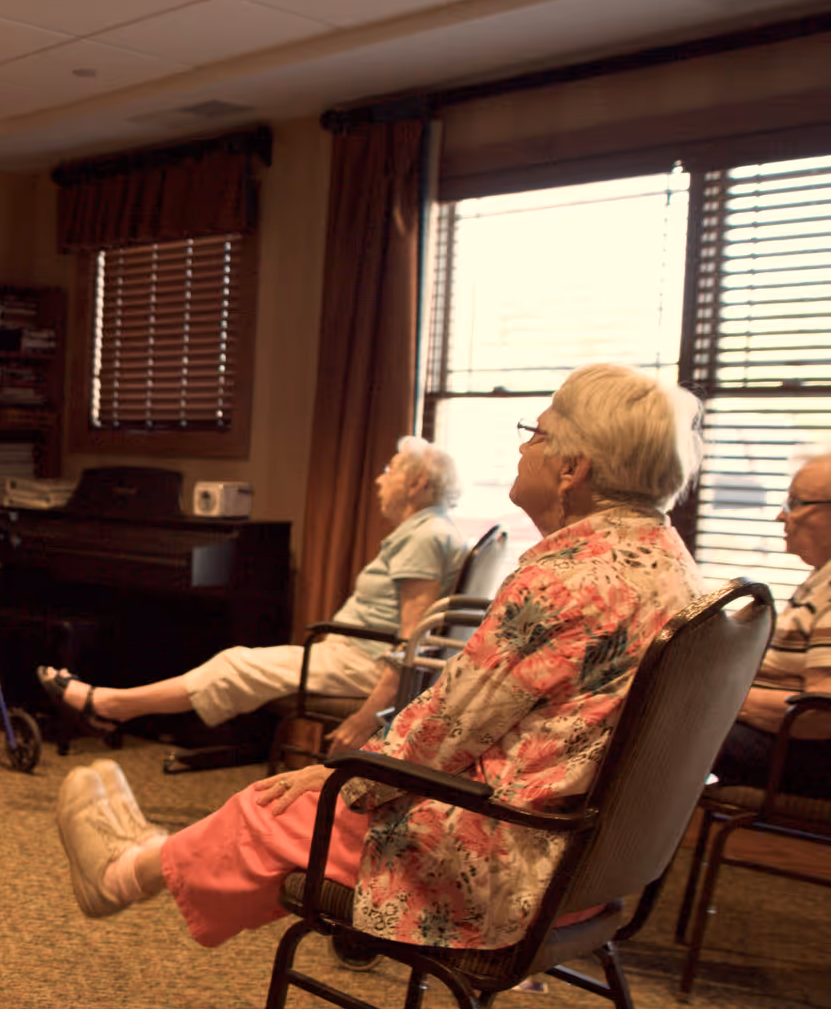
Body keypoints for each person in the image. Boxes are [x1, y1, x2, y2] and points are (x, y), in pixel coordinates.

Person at [55, 363, 705, 953]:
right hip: (596, 867)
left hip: (509, 867)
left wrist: (348, 769)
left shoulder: (565, 580)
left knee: (280, 802)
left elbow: (446, 727)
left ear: (573, 468)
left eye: (537, 432)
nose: (522, 445)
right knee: (317, 791)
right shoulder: (679, 572)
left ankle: (125, 873)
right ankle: (148, 852)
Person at [38, 436, 467, 743]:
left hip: (362, 663)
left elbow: (413, 639)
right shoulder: (433, 529)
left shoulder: (424, 537)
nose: (378, 479)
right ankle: (116, 706)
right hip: (350, 655)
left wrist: (369, 714)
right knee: (234, 661)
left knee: (234, 666)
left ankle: (111, 705)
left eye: (390, 469)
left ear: (416, 484)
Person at [710, 453, 831, 798]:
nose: (782, 515)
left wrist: (721, 697)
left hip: (807, 756)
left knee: (655, 735)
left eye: (795, 503)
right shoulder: (821, 577)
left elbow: (822, 713)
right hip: (782, 741)